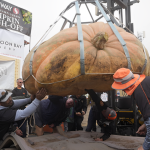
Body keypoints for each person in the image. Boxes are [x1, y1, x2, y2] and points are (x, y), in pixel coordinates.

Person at [111, 68, 150, 150]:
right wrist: (145, 125)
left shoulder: (140, 92)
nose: (123, 90)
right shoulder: (143, 83)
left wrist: (144, 147)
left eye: (121, 87)